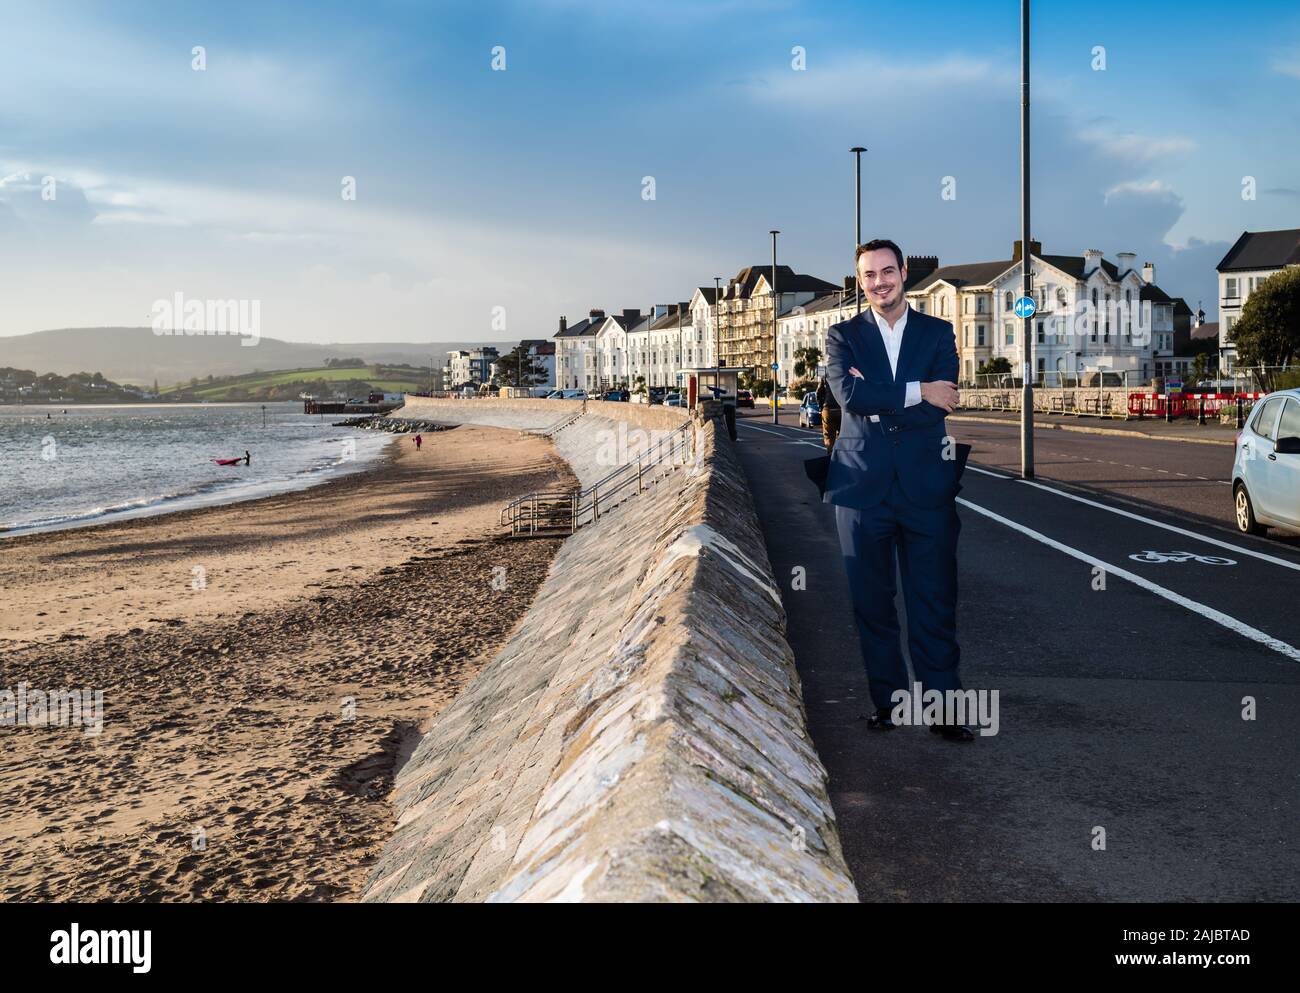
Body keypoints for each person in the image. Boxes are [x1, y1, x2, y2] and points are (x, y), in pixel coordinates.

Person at [823, 238, 970, 742]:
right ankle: (889, 705)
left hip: (925, 487)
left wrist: (886, 399)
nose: (879, 282)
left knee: (934, 602)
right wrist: (914, 391)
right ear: (859, 280)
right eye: (869, 275)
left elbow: (942, 402)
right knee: (873, 605)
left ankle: (946, 711)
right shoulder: (841, 337)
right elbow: (849, 395)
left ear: (904, 272)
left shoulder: (938, 332)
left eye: (888, 271)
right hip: (860, 487)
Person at [815, 374, 841, 451]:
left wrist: (821, 407)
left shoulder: (825, 377)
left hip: (828, 409)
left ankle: (831, 456)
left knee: (829, 436)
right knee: (843, 435)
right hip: (841, 410)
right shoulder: (842, 374)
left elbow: (818, 394)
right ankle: (841, 455)